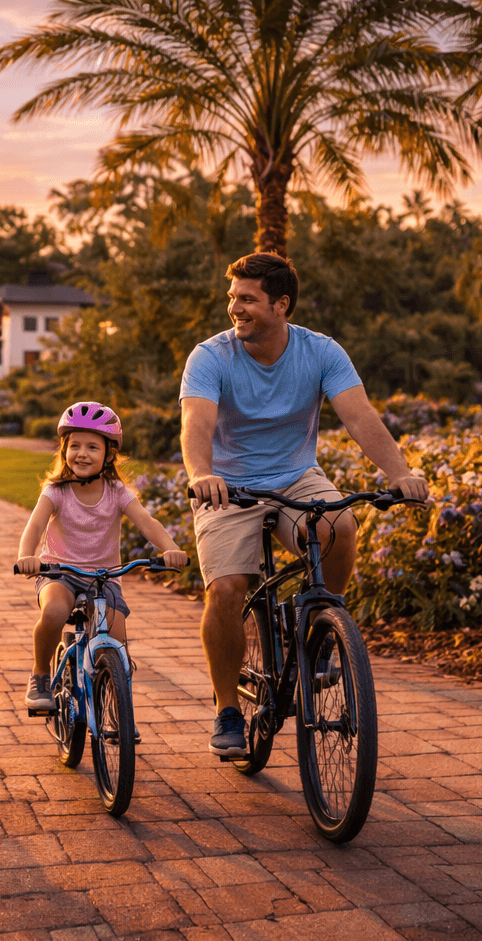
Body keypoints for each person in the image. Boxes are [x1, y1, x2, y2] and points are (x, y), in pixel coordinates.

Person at [180, 252, 430, 758]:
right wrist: (203, 475)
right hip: (228, 486)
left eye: (247, 299)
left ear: (281, 304)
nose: (235, 308)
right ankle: (228, 709)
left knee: (340, 524)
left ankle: (315, 622)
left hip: (296, 478)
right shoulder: (210, 357)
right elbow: (197, 426)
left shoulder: (321, 352)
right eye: (233, 297)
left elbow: (360, 418)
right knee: (227, 589)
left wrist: (401, 475)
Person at [14, 402, 189, 710]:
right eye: (75, 445)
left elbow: (147, 522)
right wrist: (26, 556)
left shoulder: (117, 491)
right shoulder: (56, 491)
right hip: (60, 572)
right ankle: (40, 674)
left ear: (109, 454)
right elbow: (35, 525)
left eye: (92, 447)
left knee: (118, 641)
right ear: (64, 449)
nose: (82, 453)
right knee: (54, 612)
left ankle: (116, 710)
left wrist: (170, 549)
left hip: (104, 577)